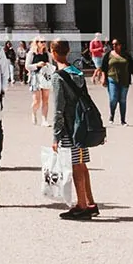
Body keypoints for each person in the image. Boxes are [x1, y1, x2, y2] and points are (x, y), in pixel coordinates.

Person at [48, 39, 101, 219]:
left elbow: (58, 110)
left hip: (71, 128)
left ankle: (82, 205)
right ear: (68, 51)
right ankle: (90, 202)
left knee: (76, 165)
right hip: (82, 125)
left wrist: (55, 136)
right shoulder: (77, 71)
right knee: (82, 164)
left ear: (52, 53)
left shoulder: (58, 77)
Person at [103, 39, 133, 124]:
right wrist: (103, 78)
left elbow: (131, 67)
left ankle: (123, 120)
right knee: (113, 98)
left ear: (120, 45)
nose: (114, 46)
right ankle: (112, 115)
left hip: (125, 79)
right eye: (113, 44)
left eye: (116, 44)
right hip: (112, 78)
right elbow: (104, 67)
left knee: (122, 100)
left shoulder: (126, 55)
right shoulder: (108, 55)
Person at [27, 40, 52, 122]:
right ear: (36, 43)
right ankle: (33, 113)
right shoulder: (31, 53)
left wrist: (48, 65)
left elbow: (51, 65)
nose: (43, 43)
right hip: (35, 77)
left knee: (46, 99)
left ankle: (44, 119)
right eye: (41, 42)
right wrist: (37, 65)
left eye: (44, 41)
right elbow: (27, 66)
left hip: (45, 77)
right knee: (36, 101)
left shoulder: (47, 54)